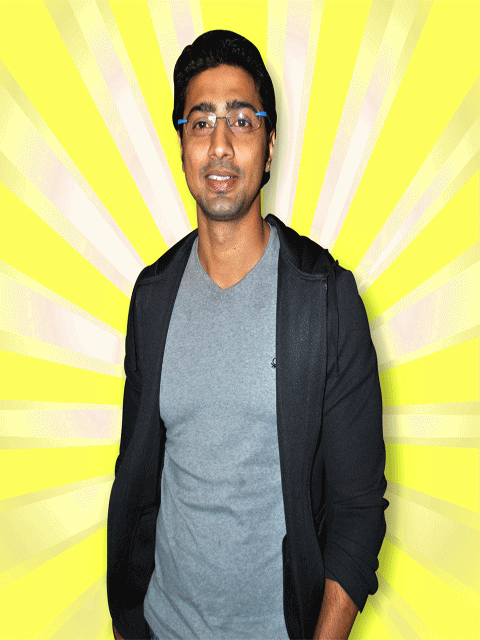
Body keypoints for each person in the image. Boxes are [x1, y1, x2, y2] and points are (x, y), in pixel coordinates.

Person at [107, 30, 388, 640]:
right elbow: (139, 476)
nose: (221, 145)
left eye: (241, 120)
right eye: (201, 123)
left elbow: (357, 512)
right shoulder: (152, 298)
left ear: (269, 145)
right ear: (183, 145)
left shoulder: (325, 300)